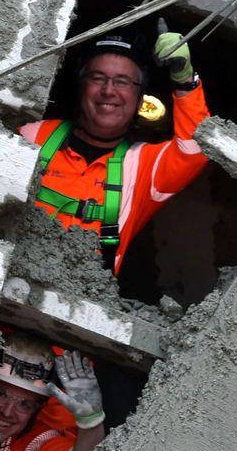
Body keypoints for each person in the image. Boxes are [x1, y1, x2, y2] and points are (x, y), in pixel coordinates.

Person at [19, 26, 209, 275]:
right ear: (81, 87)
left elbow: (196, 149)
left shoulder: (143, 167)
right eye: (97, 78)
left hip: (75, 304)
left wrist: (184, 80)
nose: (109, 90)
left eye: (122, 81)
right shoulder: (33, 135)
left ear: (140, 98)